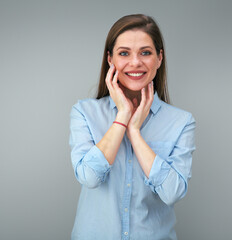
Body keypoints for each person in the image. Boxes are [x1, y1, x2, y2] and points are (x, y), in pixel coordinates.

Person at [69, 14, 196, 240]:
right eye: (124, 53)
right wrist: (123, 116)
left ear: (159, 58)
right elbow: (89, 177)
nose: (135, 62)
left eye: (145, 52)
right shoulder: (84, 113)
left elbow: (172, 192)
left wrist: (135, 133)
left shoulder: (181, 122)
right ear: (110, 59)